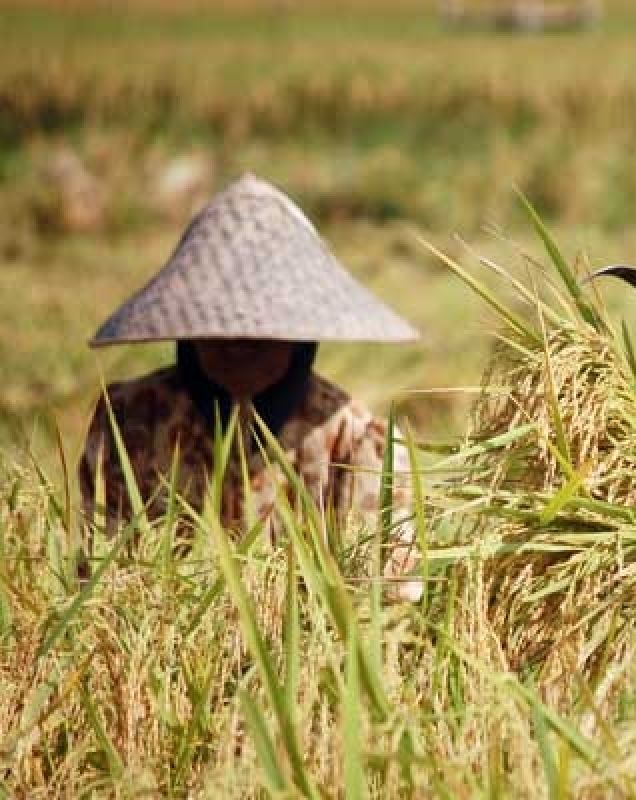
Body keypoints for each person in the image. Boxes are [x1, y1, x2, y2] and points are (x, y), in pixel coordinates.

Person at [79, 174, 424, 602]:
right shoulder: (131, 423)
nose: (239, 347)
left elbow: (383, 614)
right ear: (189, 330)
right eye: (221, 331)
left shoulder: (357, 447)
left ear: (300, 334)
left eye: (260, 334)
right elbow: (98, 591)